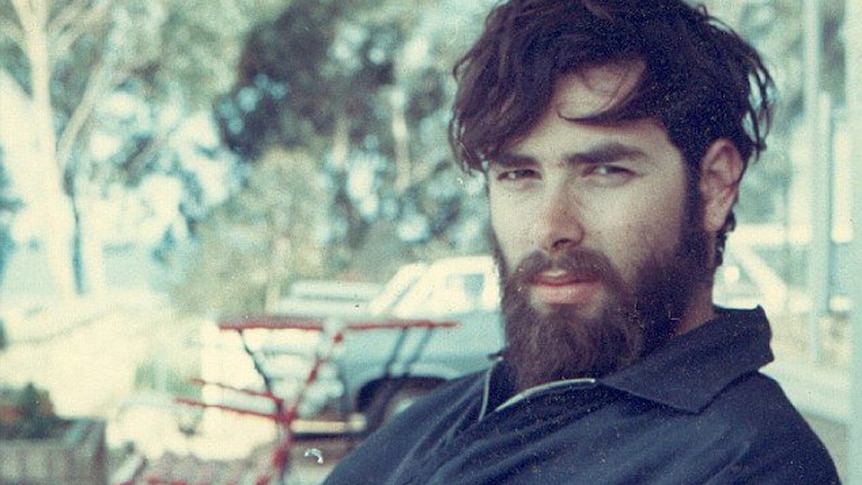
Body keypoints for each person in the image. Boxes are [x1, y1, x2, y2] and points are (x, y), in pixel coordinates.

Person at [322, 0, 840, 483]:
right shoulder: (459, 409)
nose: (550, 226)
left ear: (713, 186)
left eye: (605, 170)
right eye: (518, 175)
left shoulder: (746, 460)